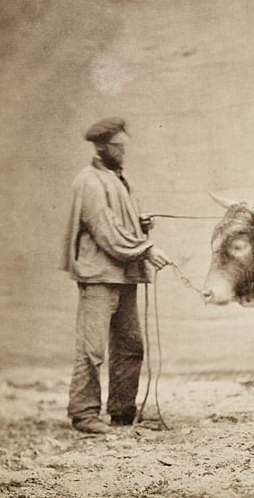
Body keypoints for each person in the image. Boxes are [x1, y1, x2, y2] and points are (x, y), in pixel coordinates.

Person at [61, 117, 173, 434]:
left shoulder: (118, 179)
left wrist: (141, 223)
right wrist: (147, 249)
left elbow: (122, 222)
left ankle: (122, 412)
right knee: (92, 348)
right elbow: (107, 232)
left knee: (130, 345)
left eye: (124, 146)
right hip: (99, 277)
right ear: (101, 147)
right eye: (117, 146)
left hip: (123, 275)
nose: (123, 152)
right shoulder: (89, 181)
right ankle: (84, 414)